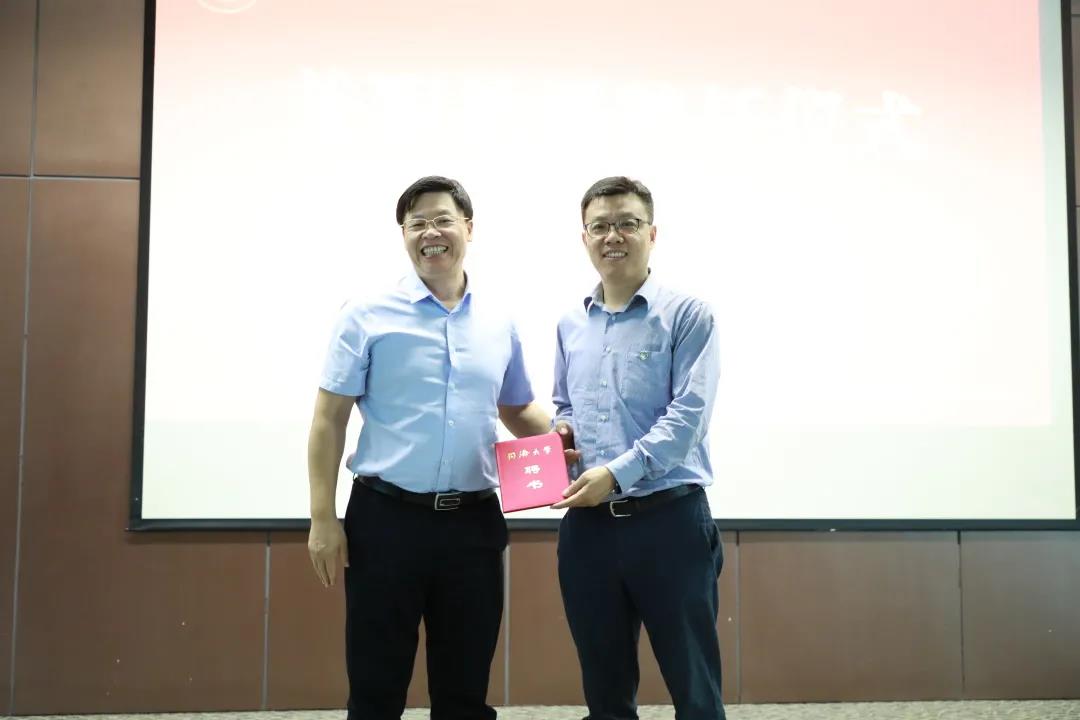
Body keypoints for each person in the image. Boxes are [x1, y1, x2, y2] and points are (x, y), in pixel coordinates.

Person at [306, 175, 550, 720]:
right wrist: (322, 518)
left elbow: (516, 409)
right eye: (417, 224)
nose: (430, 233)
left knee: (464, 691)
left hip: (473, 525)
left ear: (469, 228)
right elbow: (328, 419)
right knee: (376, 689)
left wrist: (569, 442)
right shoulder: (365, 314)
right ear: (404, 235)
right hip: (385, 521)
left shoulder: (498, 321)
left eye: (442, 220)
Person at [551, 176, 726, 719]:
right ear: (585, 237)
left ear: (652, 233)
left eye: (627, 223)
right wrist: (563, 437)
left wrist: (615, 473)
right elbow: (564, 405)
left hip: (669, 523)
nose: (613, 236)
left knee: (694, 690)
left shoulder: (688, 315)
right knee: (605, 691)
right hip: (588, 531)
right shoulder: (570, 323)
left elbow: (687, 419)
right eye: (600, 226)